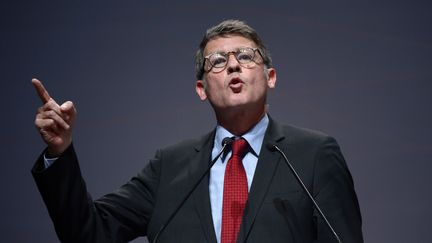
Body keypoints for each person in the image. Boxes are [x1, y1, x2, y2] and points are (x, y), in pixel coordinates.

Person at [32, 19, 364, 243]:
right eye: (217, 61)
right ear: (201, 89)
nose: (233, 65)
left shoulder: (314, 154)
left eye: (246, 57)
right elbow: (89, 232)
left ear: (271, 76)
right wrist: (59, 152)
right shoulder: (170, 166)